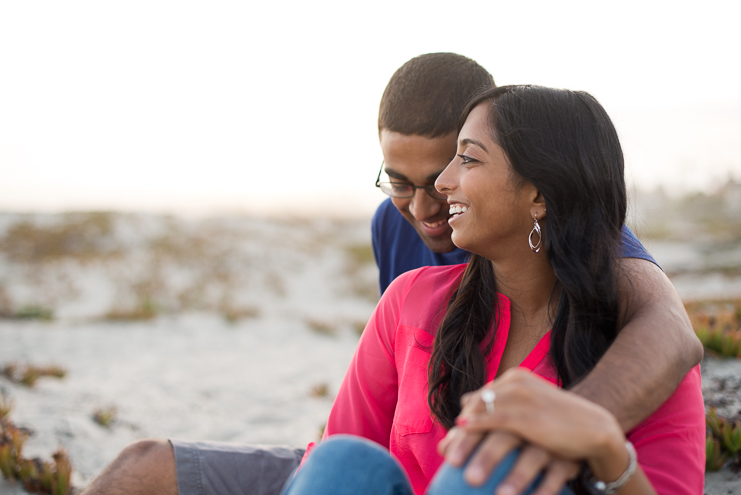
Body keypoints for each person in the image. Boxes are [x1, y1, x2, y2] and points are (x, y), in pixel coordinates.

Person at [80, 54, 702, 495]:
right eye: (401, 183)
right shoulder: (405, 271)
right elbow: (364, 432)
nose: (429, 202)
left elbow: (671, 331)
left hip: (501, 475)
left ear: (539, 191)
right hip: (393, 474)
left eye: (457, 164)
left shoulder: (601, 268)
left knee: (475, 476)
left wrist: (588, 430)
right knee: (168, 468)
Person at [283, 85, 705, 495]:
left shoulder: (637, 356)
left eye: (467, 159)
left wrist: (606, 446)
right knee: (342, 460)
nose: (443, 182)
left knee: (486, 471)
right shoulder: (407, 301)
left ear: (538, 194)